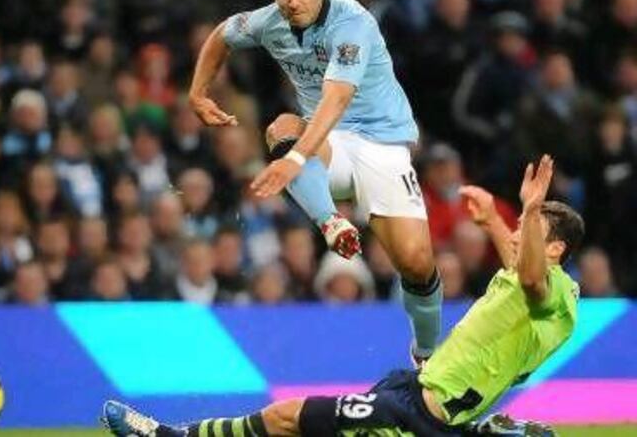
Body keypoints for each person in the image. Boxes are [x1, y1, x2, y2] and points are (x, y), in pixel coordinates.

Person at [101, 155, 584, 437]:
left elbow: (532, 282)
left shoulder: (556, 296)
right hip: (413, 389)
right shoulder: (524, 274)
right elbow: (517, 268)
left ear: (556, 248)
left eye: (532, 230)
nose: (521, 235)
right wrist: (498, 223)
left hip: (424, 414)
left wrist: (532, 205)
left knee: (285, 417)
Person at [188, 0, 440, 362]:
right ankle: (331, 223)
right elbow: (222, 35)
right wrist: (197, 93)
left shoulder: (352, 22)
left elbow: (336, 98)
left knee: (416, 263)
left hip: (381, 142)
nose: (293, 2)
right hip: (329, 142)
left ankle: (428, 356)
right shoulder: (268, 22)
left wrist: (295, 158)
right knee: (282, 126)